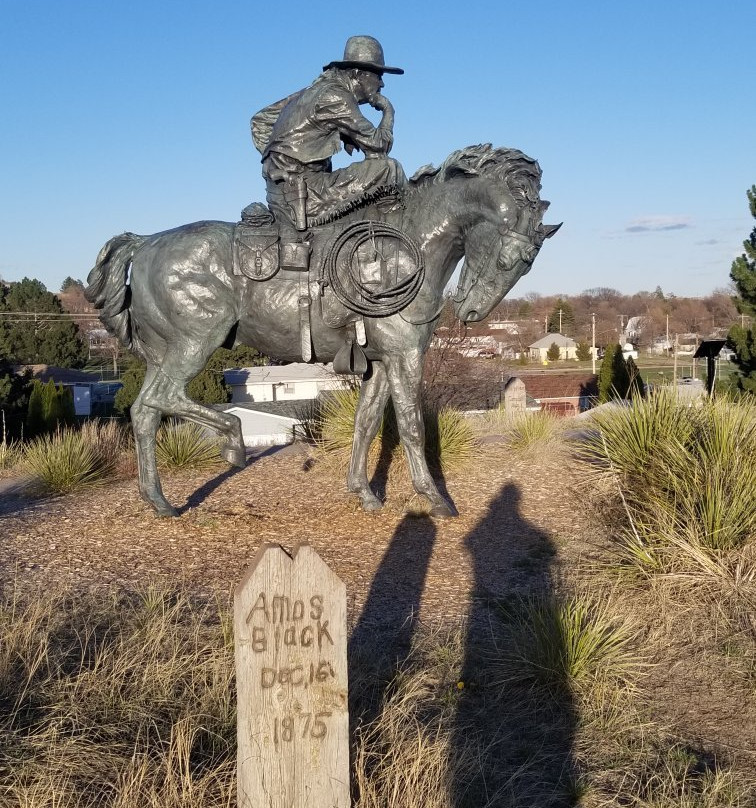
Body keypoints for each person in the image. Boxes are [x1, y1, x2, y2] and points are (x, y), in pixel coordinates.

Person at [251, 36, 407, 232]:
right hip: (306, 192)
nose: (382, 84)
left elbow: (261, 120)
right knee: (389, 168)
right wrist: (388, 110)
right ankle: (400, 229)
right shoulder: (338, 97)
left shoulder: (313, 91)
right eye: (378, 75)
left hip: (283, 190)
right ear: (358, 74)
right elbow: (379, 146)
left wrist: (275, 168)